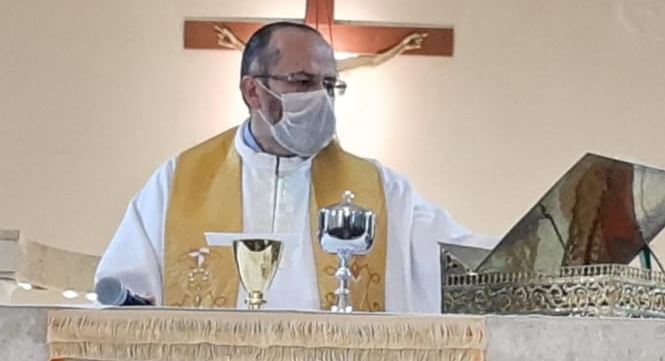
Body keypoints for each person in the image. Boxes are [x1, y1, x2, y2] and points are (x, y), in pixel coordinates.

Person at [95, 21, 490, 313]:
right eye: (302, 82)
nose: (320, 97)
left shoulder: (382, 191)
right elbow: (123, 296)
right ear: (253, 91)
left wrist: (525, 252)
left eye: (329, 85)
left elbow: (463, 266)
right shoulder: (179, 183)